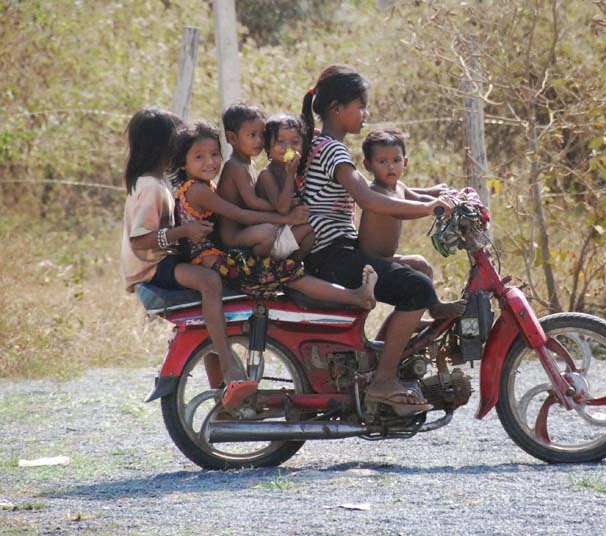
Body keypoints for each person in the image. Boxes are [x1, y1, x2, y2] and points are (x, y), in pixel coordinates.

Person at [300, 64, 455, 416]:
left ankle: (382, 360)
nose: (365, 114)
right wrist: (427, 208)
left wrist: (432, 193)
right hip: (331, 256)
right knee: (417, 289)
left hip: (336, 251)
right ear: (338, 109)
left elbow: (386, 188)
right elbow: (369, 198)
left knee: (418, 267)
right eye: (361, 106)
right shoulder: (333, 152)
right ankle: (383, 381)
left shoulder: (322, 145)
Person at [119, 107, 255, 411]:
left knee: (210, 314)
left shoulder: (158, 183)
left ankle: (224, 400)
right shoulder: (150, 186)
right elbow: (140, 240)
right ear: (164, 145)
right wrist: (184, 232)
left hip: (161, 262)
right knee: (209, 282)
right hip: (151, 267)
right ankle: (228, 363)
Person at [170, 120, 377, 308]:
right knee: (290, 275)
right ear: (182, 162)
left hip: (223, 257)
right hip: (218, 263)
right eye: (199, 157)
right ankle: (356, 297)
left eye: (215, 154)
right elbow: (241, 215)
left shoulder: (207, 185)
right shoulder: (199, 189)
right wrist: (285, 218)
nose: (210, 162)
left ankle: (289, 269)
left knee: (292, 259)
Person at [358, 127, 466, 320]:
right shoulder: (377, 193)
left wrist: (445, 199)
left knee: (422, 266)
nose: (390, 167)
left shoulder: (398, 187)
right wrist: (431, 208)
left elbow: (419, 198)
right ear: (368, 165)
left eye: (396, 160)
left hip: (385, 257)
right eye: (382, 162)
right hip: (370, 262)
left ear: (405, 162)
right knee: (418, 264)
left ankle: (414, 318)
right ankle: (435, 308)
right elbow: (402, 211)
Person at [216, 103, 302, 258]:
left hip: (246, 228)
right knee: (267, 232)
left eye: (262, 135)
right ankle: (255, 266)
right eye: (252, 135)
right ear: (232, 138)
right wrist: (283, 208)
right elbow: (253, 203)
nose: (259, 141)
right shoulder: (235, 166)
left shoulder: (249, 163)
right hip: (232, 236)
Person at [253, 112, 315, 260]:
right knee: (308, 228)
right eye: (280, 142)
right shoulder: (267, 175)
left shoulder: (293, 170)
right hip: (270, 238)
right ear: (268, 148)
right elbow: (282, 208)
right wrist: (290, 174)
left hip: (284, 230)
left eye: (295, 142)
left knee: (312, 228)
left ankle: (292, 266)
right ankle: (287, 266)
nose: (288, 148)